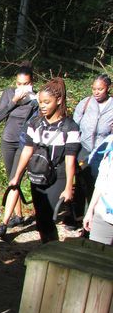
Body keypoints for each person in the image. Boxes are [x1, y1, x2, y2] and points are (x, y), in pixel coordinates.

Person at [8, 78, 80, 243]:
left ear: (59, 100)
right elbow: (27, 150)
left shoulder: (70, 127)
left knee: (47, 218)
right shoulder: (35, 124)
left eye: (47, 102)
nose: (42, 106)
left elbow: (70, 159)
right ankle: (47, 248)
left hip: (58, 177)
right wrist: (16, 176)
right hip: (37, 175)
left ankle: (51, 251)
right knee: (41, 219)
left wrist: (69, 187)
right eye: (40, 102)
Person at [0, 63, 38, 237]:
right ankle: (18, 215)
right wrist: (13, 101)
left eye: (25, 84)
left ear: (31, 82)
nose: (21, 87)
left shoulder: (36, 100)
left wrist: (32, 99)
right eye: (19, 84)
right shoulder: (9, 93)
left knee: (15, 179)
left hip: (23, 144)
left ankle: (4, 224)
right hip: (7, 141)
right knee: (12, 178)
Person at [73, 74, 113, 220]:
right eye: (94, 88)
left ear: (108, 88)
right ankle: (77, 215)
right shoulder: (85, 103)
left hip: (104, 151)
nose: (96, 92)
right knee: (81, 181)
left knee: (98, 183)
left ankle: (95, 216)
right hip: (84, 148)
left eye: (100, 89)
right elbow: (74, 125)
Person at [83, 135, 113, 244]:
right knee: (95, 257)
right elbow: (102, 180)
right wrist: (91, 210)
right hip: (103, 214)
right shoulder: (110, 142)